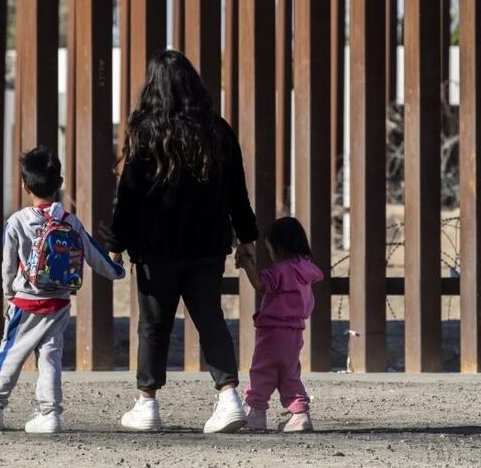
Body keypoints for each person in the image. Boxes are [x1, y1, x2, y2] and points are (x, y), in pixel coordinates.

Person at [108, 50, 258, 434]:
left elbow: (129, 196)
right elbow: (237, 190)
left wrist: (116, 241)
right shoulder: (218, 130)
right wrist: (248, 237)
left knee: (154, 325)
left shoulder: (146, 133)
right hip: (207, 245)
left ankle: (148, 404)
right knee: (210, 318)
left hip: (156, 248)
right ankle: (228, 397)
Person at [0, 146, 126, 434]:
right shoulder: (69, 221)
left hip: (26, 303)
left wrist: (10, 293)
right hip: (58, 302)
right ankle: (50, 413)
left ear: (24, 184)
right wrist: (117, 271)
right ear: (59, 183)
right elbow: (94, 254)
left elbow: (8, 265)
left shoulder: (17, 221)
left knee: (11, 354)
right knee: (50, 357)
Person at [234, 217, 324, 433]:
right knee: (289, 373)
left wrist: (248, 264)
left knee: (262, 370)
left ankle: (255, 412)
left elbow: (260, 284)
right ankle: (300, 414)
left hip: (273, 332)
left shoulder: (281, 270)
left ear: (280, 248)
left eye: (270, 249)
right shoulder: (306, 269)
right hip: (295, 332)